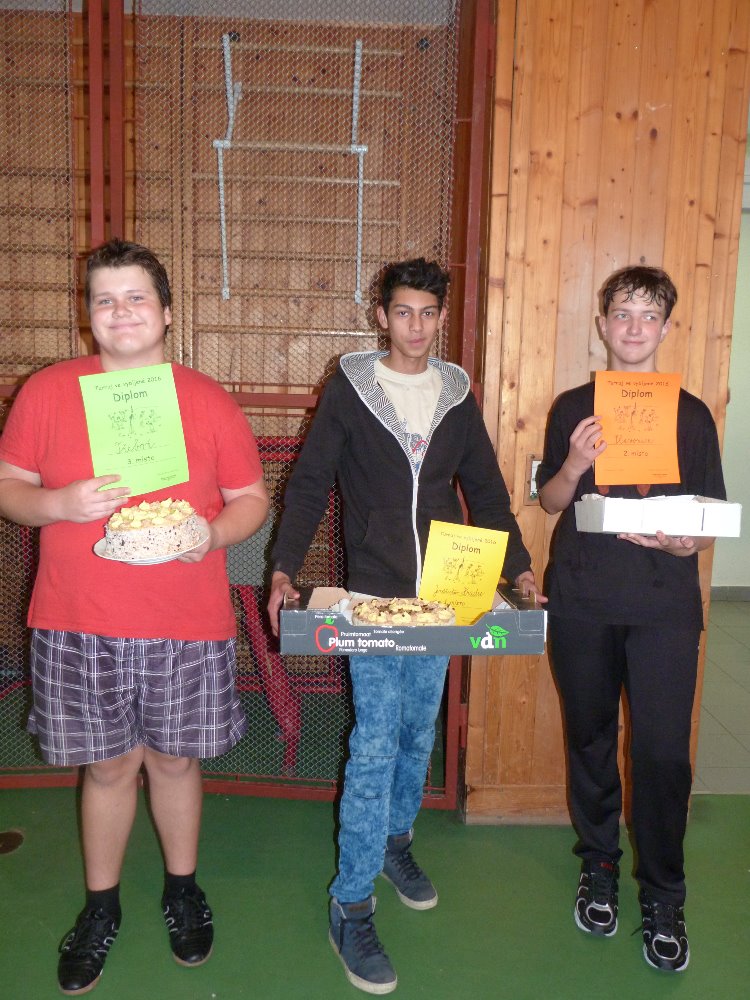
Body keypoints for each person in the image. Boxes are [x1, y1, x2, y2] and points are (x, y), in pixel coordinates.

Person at [267, 258, 546, 995]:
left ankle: (395, 842)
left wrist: (519, 568)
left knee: (419, 731)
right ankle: (351, 900)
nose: (415, 326)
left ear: (440, 318)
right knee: (374, 741)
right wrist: (284, 567)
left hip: (447, 598)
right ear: (381, 316)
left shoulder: (456, 394)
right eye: (402, 312)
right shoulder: (350, 389)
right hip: (372, 598)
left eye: (428, 313)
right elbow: (308, 483)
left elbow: (486, 492)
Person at [0, 239, 269, 995]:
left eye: (136, 298)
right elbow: (8, 486)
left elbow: (251, 499)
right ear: (88, 314)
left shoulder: (207, 398)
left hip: (185, 617)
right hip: (77, 616)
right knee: (108, 766)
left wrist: (208, 534)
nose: (120, 312)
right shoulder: (49, 391)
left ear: (167, 312)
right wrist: (58, 502)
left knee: (175, 760)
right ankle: (101, 906)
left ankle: (182, 889)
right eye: (105, 300)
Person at [536, 266, 726, 973]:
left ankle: (664, 894)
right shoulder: (573, 408)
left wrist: (684, 543)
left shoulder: (692, 415)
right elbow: (551, 502)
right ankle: (599, 864)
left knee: (662, 754)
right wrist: (575, 462)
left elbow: (708, 519)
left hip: (664, 605)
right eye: (623, 313)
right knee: (589, 738)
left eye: (649, 315)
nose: (635, 326)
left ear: (666, 328)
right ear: (603, 324)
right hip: (583, 599)